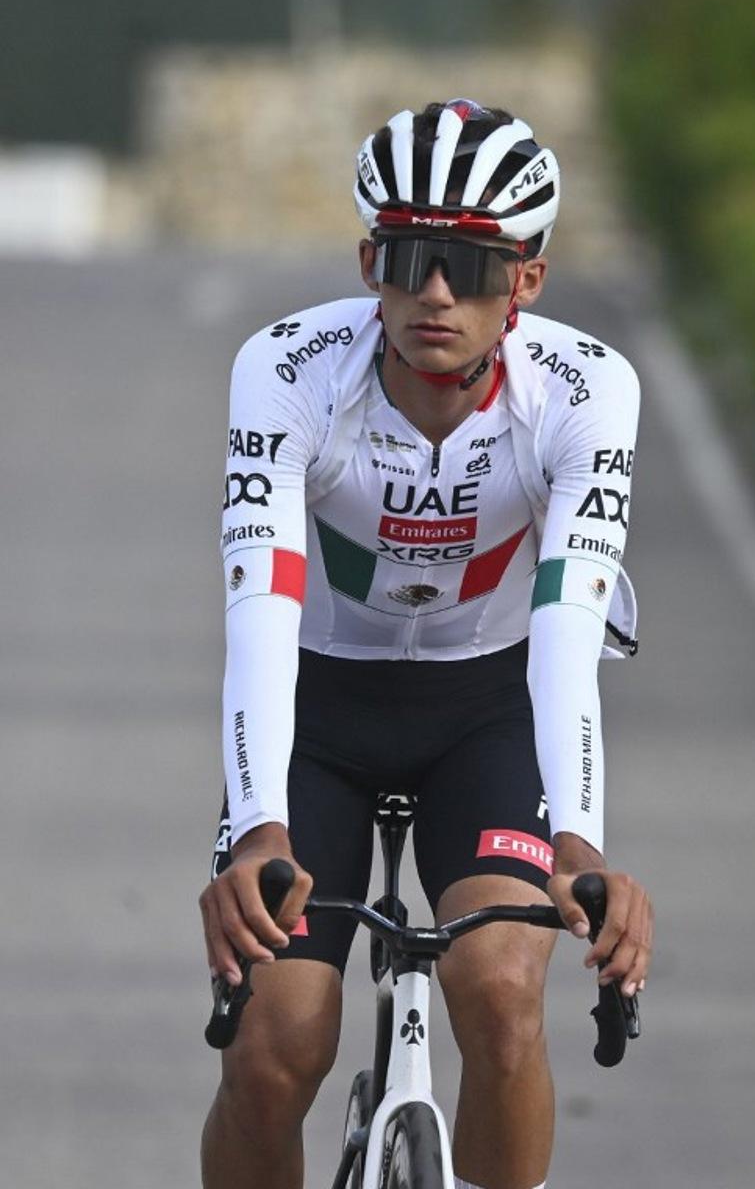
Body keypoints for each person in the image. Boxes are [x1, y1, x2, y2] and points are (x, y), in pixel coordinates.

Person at [199, 98, 653, 1189]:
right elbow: (259, 603)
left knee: (500, 998)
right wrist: (259, 826)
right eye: (409, 258)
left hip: (487, 711)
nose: (436, 292)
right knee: (274, 1048)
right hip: (319, 712)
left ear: (527, 283)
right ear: (370, 262)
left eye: (473, 265)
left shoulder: (587, 392)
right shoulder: (288, 370)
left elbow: (564, 630)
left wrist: (580, 844)